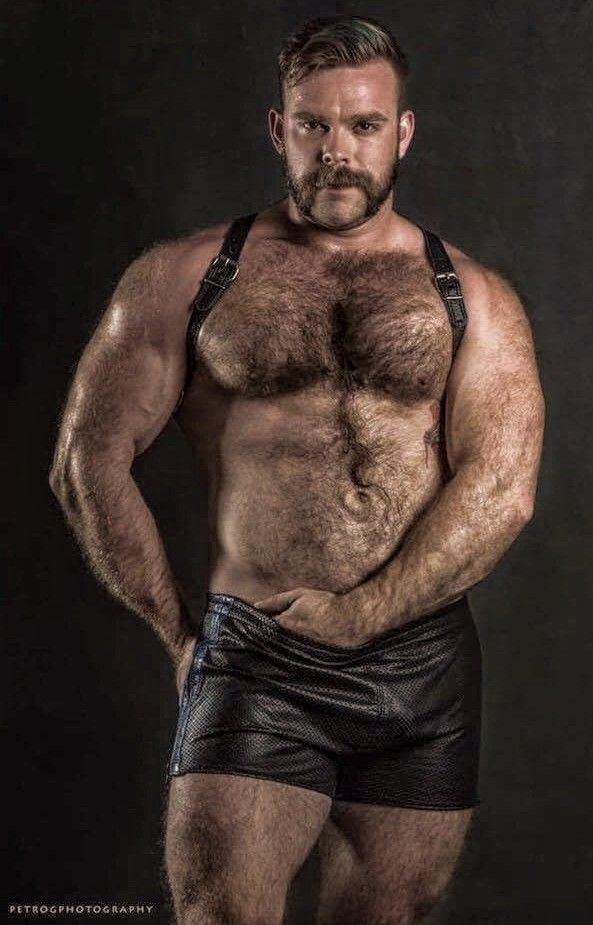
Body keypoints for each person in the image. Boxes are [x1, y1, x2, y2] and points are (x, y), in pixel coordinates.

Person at [49, 14, 545, 925]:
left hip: (421, 661)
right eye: (314, 124)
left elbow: (503, 489)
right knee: (221, 912)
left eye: (363, 125)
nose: (336, 152)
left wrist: (366, 611)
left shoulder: (471, 297)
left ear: (402, 132)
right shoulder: (188, 276)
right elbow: (87, 461)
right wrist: (180, 636)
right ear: (279, 129)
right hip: (261, 655)